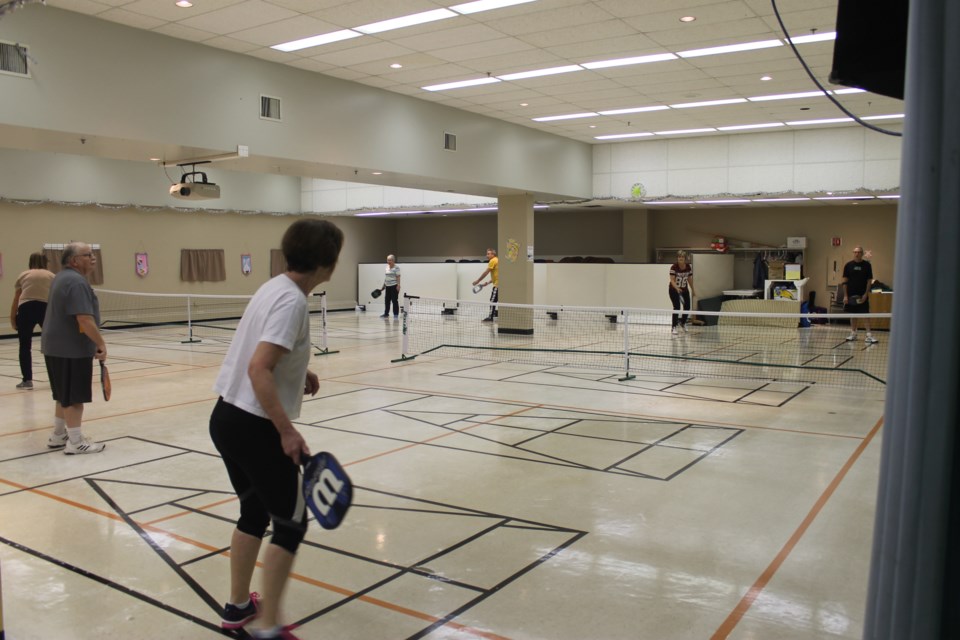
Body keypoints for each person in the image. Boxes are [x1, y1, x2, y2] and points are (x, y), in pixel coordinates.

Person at [209, 219, 344, 640]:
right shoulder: (293, 303)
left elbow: (265, 354)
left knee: (253, 512)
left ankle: (237, 608)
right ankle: (268, 628)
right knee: (291, 524)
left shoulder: (275, 287)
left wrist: (298, 370)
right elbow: (258, 366)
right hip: (255, 426)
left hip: (226, 418)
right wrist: (287, 431)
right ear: (329, 262)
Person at [40, 243, 108, 454]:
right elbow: (85, 319)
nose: (93, 258)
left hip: (54, 346)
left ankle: (59, 435)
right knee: (74, 397)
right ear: (74, 261)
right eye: (88, 255)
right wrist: (100, 343)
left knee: (63, 394)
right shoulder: (77, 282)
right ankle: (76, 443)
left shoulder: (61, 277)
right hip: (71, 349)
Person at [10, 252, 56, 390]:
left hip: (26, 308)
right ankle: (55, 379)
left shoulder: (23, 275)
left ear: (30, 262)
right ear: (45, 262)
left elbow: (16, 298)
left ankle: (27, 380)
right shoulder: (51, 276)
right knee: (51, 346)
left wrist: (12, 318)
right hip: (45, 308)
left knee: (24, 346)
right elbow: (56, 298)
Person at [842, 245, 878, 344]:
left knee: (865, 314)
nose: (857, 254)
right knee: (853, 315)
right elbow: (845, 281)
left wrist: (866, 294)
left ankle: (869, 335)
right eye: (855, 252)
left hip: (862, 295)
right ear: (853, 253)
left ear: (862, 254)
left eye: (859, 252)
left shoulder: (867, 265)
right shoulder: (848, 265)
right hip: (851, 295)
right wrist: (845, 295)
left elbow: (869, 281)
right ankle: (853, 333)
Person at [668, 251, 695, 335]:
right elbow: (672, 280)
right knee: (677, 307)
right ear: (677, 258)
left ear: (685, 259)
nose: (680, 258)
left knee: (687, 307)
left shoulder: (688, 267)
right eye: (679, 257)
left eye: (682, 257)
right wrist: (677, 288)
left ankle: (683, 323)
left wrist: (693, 290)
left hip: (684, 290)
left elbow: (689, 279)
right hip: (673, 290)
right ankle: (674, 327)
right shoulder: (674, 267)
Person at [472, 248, 499, 322]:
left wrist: (478, 280)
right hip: (499, 284)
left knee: (492, 301)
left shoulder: (492, 261)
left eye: (488, 254)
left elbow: (486, 272)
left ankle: (490, 317)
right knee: (495, 301)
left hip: (497, 286)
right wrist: (488, 283)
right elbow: (498, 276)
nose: (487, 255)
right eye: (487, 253)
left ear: (493, 254)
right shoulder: (497, 260)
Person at [379, 254, 400, 318]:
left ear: (393, 260)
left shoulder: (396, 268)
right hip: (387, 286)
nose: (388, 261)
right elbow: (386, 278)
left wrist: (398, 285)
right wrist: (383, 286)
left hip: (394, 286)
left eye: (390, 260)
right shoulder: (386, 267)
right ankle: (386, 313)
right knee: (387, 300)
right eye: (387, 260)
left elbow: (398, 277)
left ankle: (395, 314)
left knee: (394, 300)